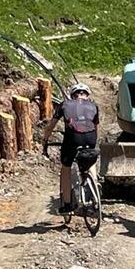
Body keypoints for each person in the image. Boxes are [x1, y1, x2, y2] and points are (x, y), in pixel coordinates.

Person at [41, 83, 100, 214]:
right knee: (90, 159)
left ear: (72, 95)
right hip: (91, 137)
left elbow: (51, 125)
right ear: (87, 95)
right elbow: (95, 126)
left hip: (73, 138)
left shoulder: (64, 104)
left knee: (66, 168)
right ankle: (95, 187)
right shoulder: (94, 106)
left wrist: (44, 140)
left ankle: (67, 205)